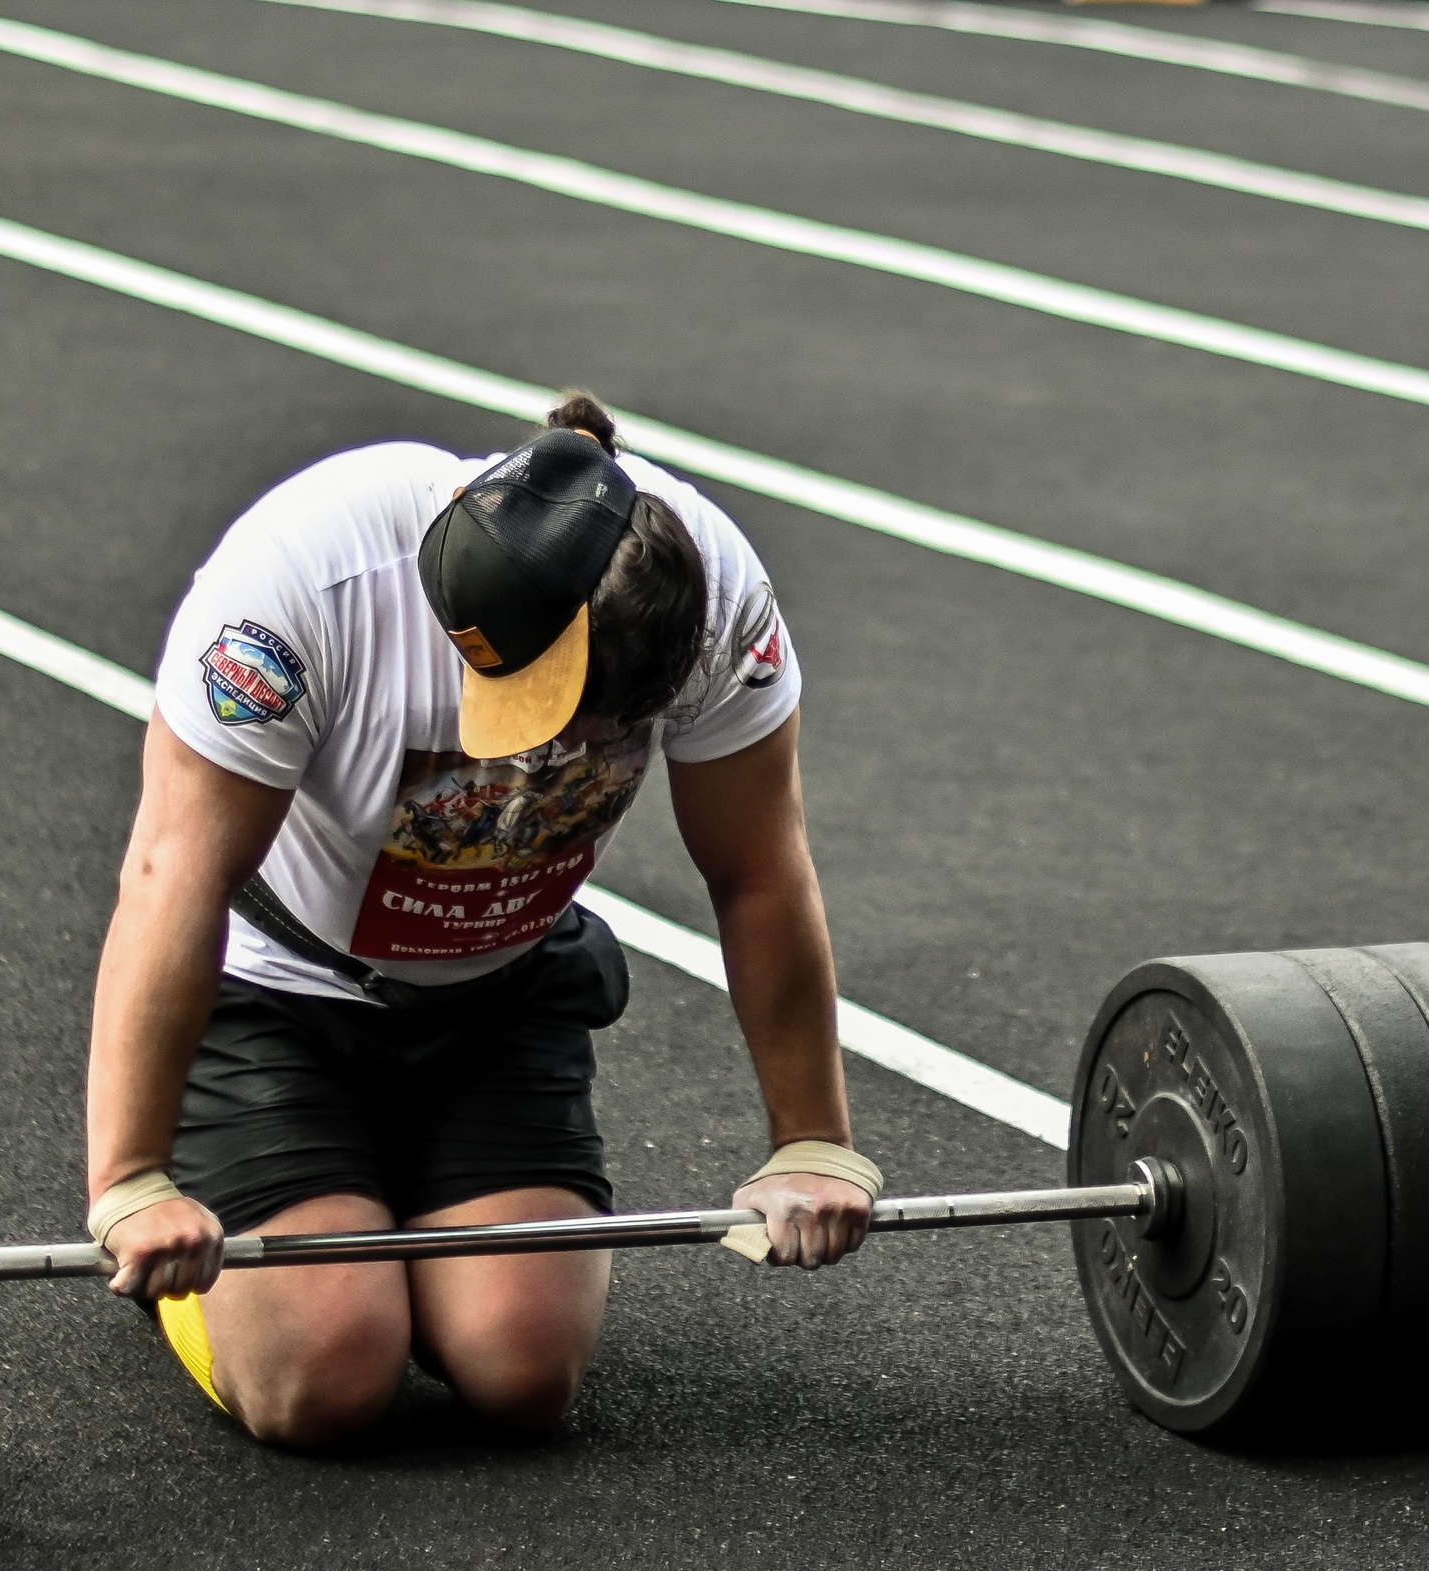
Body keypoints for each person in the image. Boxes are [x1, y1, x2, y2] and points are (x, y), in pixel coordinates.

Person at [83, 391, 879, 1446]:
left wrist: (813, 1143)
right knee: (325, 1382)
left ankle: (398, 1212)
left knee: (522, 1372)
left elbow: (759, 876)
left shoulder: (722, 603)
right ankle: (203, 1282)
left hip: (498, 998)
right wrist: (131, 1181)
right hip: (273, 996)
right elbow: (170, 873)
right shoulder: (302, 581)